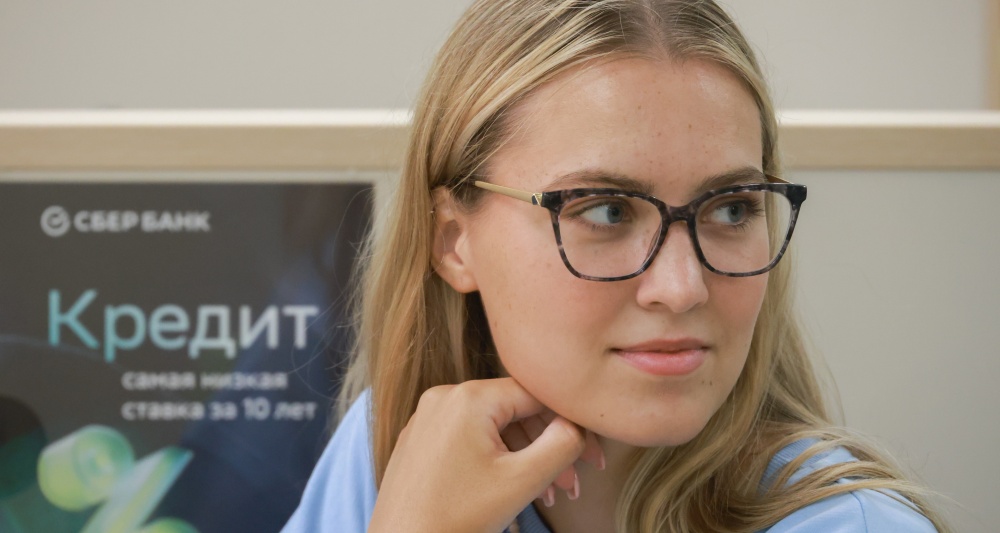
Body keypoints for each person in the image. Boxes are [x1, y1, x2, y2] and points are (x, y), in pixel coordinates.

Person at [283, 0, 949, 531]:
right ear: (455, 241)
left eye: (732, 208)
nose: (681, 288)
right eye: (605, 211)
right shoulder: (400, 450)